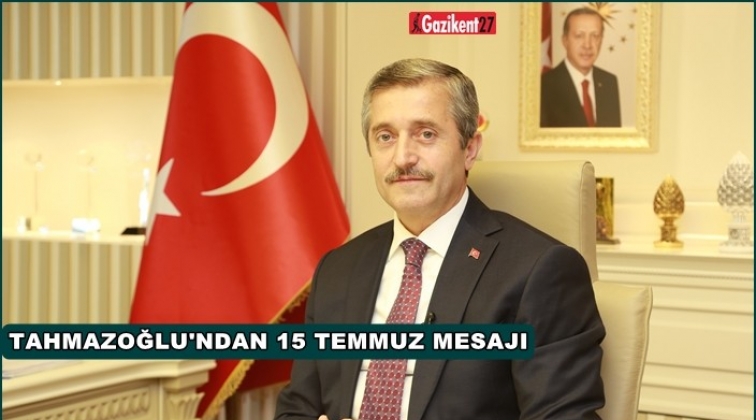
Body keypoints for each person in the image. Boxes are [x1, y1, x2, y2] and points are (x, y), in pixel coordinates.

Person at [275, 58, 605, 420]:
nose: (402, 158)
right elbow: (297, 409)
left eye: (426, 134)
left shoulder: (538, 272)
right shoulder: (337, 269)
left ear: (470, 149)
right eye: (385, 137)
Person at [541, 7, 621, 128]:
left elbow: (614, 137)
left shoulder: (609, 82)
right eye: (579, 36)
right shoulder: (545, 86)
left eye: (595, 36)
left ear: (601, 40)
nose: (587, 45)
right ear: (565, 40)